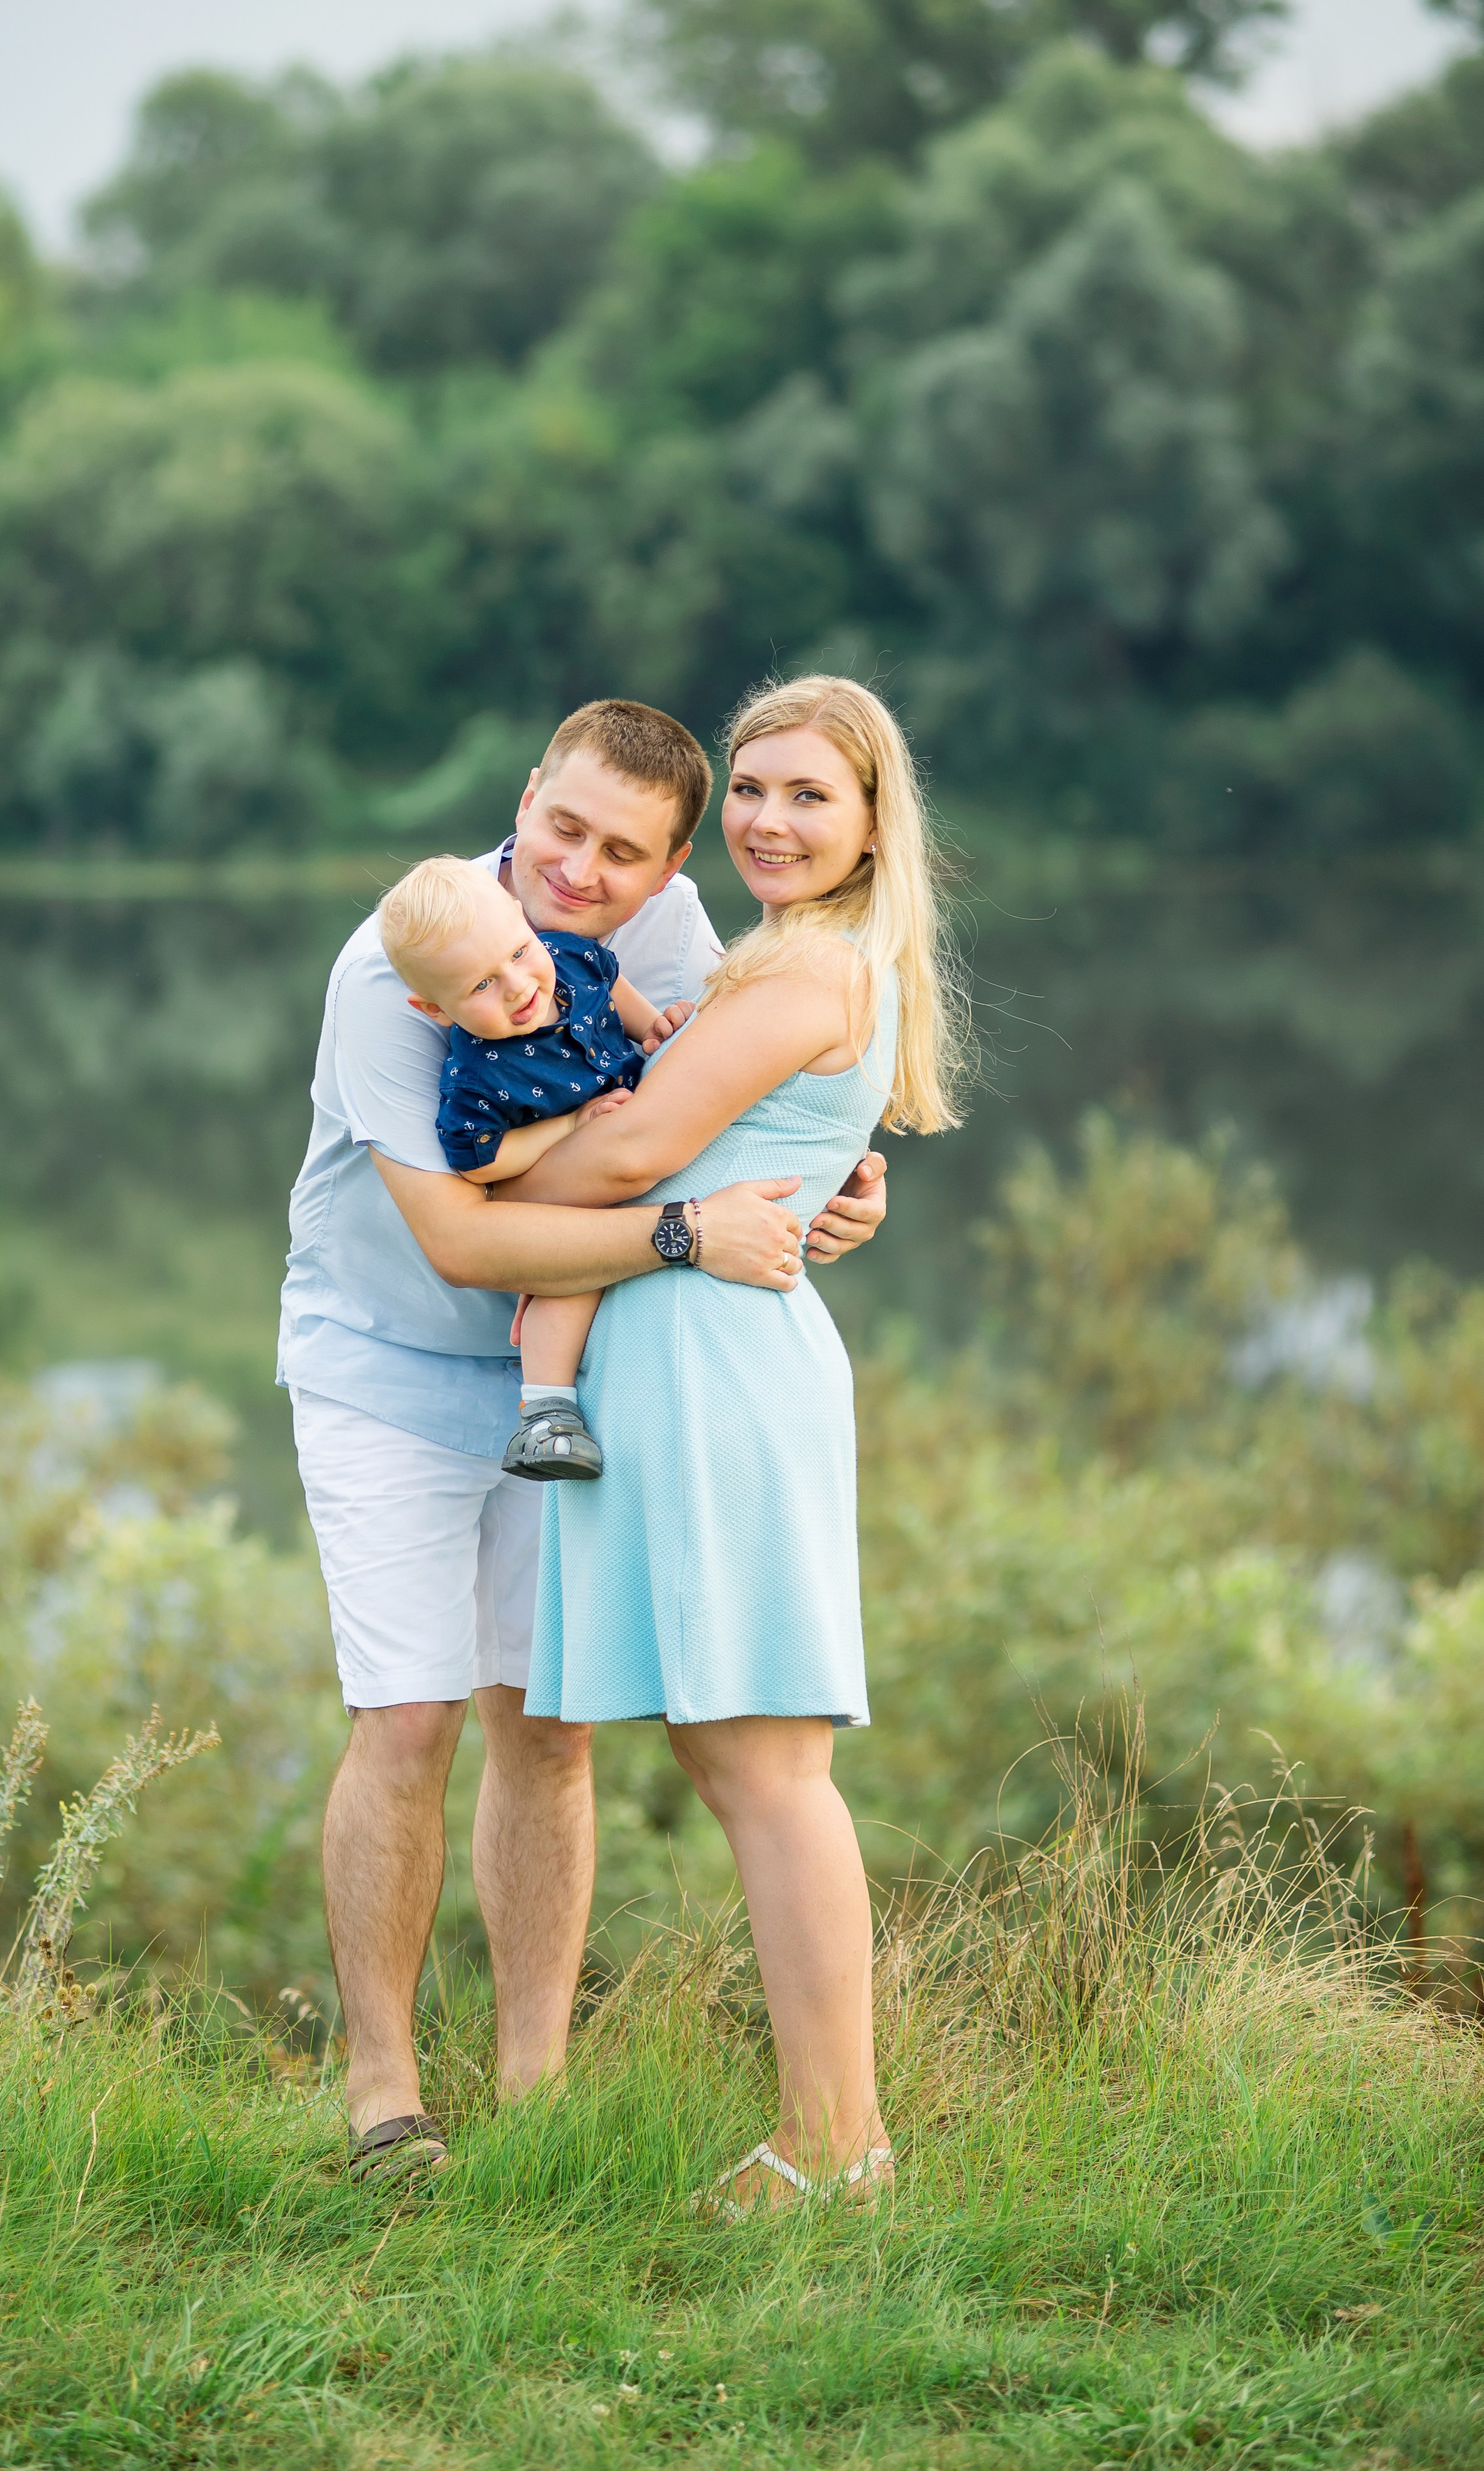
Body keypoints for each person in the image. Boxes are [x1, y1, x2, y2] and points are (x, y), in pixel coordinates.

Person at [276, 699, 891, 2185]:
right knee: (407, 1715)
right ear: (523, 800)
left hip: (575, 1371)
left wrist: (829, 1191)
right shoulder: (405, 956)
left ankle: (535, 2093)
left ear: (671, 863)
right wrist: (685, 1227)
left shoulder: (693, 934)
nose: (576, 871)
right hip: (390, 1363)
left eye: (622, 850)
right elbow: (456, 1241)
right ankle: (383, 2101)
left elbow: (728, 1109)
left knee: (544, 1732)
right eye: (559, 828)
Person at [506, 676, 961, 2214]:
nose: (768, 820)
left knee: (768, 1768)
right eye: (751, 790)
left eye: (806, 797)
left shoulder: (810, 972)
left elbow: (635, 1147)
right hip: (686, 1344)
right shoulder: (773, 960)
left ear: (869, 824)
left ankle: (838, 2145)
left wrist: (456, 1184)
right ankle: (834, 2140)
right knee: (736, 1761)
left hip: (716, 1363)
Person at [377, 852, 688, 1482]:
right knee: (566, 1285)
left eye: (517, 954)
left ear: (523, 922)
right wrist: (567, 1127)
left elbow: (608, 976)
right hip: (565, 1197)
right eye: (480, 986)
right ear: (435, 1009)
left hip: (641, 1145)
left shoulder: (562, 955)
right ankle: (546, 1415)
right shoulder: (479, 1074)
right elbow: (478, 1162)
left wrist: (653, 1024)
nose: (518, 987)